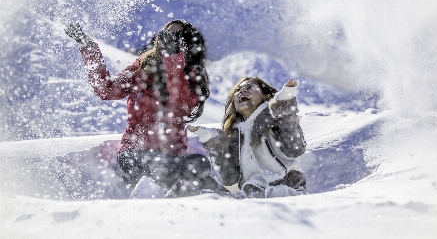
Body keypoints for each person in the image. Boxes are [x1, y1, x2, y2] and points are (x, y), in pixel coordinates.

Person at [65, 20, 215, 198]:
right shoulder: (142, 67)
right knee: (163, 168)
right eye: (165, 34)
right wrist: (89, 48)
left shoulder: (192, 76)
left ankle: (229, 204)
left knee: (199, 163)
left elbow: (180, 101)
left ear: (187, 43)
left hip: (173, 157)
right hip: (135, 152)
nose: (167, 39)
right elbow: (106, 90)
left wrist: (173, 58)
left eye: (176, 36)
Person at [188, 77, 307, 198]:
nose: (242, 91)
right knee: (196, 190)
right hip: (250, 195)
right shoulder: (238, 135)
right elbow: (228, 178)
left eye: (250, 87)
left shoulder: (275, 120)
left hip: (284, 193)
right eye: (238, 90)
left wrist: (284, 104)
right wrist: (212, 139)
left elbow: (295, 148)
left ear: (266, 96)